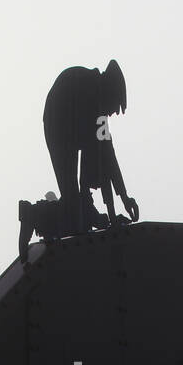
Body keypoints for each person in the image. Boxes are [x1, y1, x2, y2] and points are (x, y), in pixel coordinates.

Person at [43, 60, 139, 237]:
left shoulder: (96, 95)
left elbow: (107, 154)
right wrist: (112, 215)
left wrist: (124, 197)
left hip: (64, 126)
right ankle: (39, 215)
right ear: (110, 93)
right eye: (114, 108)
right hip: (58, 128)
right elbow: (104, 158)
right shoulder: (94, 97)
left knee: (76, 201)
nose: (111, 114)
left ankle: (83, 211)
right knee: (72, 198)